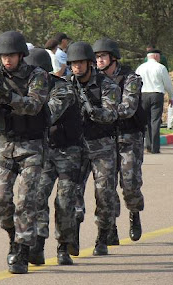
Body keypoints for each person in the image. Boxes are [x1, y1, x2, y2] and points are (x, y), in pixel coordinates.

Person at [0, 31, 49, 274]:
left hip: (32, 147)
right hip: (5, 146)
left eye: (11, 55)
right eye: (3, 56)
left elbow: (33, 105)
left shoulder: (37, 76)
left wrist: (7, 96)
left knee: (26, 201)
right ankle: (13, 236)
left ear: (21, 55)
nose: (6, 60)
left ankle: (20, 251)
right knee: (0, 201)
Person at [24, 48, 80, 266]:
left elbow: (47, 114)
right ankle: (38, 244)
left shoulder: (63, 88)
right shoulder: (30, 90)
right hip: (45, 151)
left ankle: (63, 246)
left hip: (69, 152)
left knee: (64, 201)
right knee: (37, 197)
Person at [66, 41, 120, 256]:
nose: (76, 67)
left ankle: (102, 237)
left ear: (89, 63)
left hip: (102, 145)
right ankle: (73, 236)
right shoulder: (66, 84)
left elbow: (111, 115)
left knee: (104, 194)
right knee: (72, 194)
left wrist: (91, 109)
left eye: (80, 63)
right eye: (73, 63)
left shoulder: (108, 86)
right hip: (76, 146)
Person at [93, 38, 146, 246]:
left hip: (129, 136)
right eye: (96, 57)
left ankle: (134, 212)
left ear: (113, 58)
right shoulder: (94, 80)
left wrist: (99, 113)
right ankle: (110, 226)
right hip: (105, 138)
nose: (98, 61)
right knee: (106, 186)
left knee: (130, 183)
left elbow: (128, 108)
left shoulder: (130, 78)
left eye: (102, 57)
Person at [136, 49, 173, 153]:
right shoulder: (161, 67)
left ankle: (148, 146)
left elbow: (135, 82)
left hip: (143, 94)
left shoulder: (140, 68)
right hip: (157, 94)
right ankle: (155, 147)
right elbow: (167, 84)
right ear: (157, 56)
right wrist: (171, 96)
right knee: (155, 121)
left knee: (146, 121)